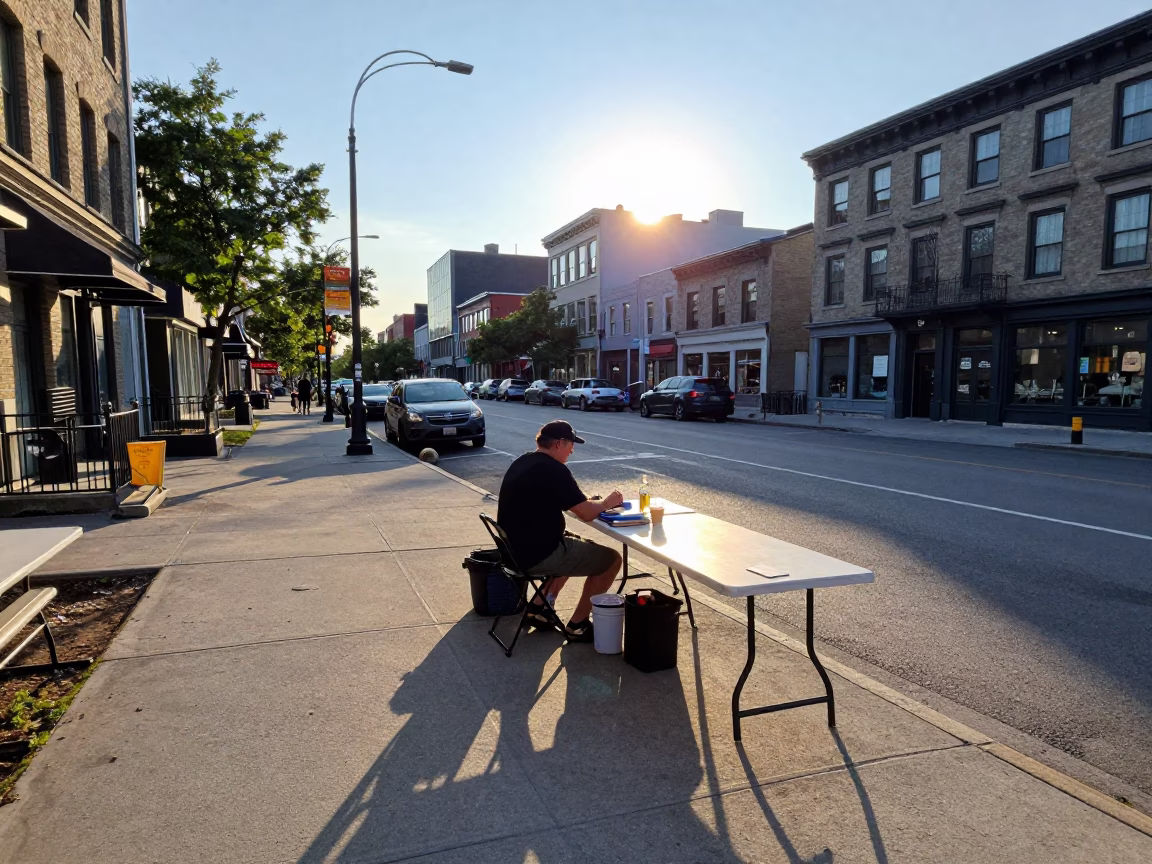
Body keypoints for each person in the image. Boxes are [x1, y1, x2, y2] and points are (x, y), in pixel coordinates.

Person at [497, 420, 623, 642]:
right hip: (538, 554)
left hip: (513, 551)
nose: (572, 450)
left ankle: (537, 610)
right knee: (611, 560)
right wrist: (606, 503)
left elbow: (566, 499)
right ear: (559, 444)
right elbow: (585, 512)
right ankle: (578, 625)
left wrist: (590, 502)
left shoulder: (523, 461)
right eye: (571, 444)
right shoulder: (554, 469)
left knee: (576, 545)